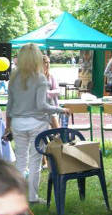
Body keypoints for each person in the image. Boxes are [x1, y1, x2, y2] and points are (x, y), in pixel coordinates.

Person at [6, 43, 69, 204]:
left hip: (18, 123)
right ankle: (32, 197)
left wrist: (8, 126)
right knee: (35, 162)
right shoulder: (40, 78)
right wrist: (61, 109)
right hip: (37, 124)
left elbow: (9, 106)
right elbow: (42, 106)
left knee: (21, 161)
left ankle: (19, 197)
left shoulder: (14, 78)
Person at [43, 55, 60, 129]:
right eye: (45, 62)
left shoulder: (51, 76)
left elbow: (58, 90)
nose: (47, 64)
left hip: (51, 107)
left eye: (49, 62)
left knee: (57, 131)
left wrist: (48, 92)